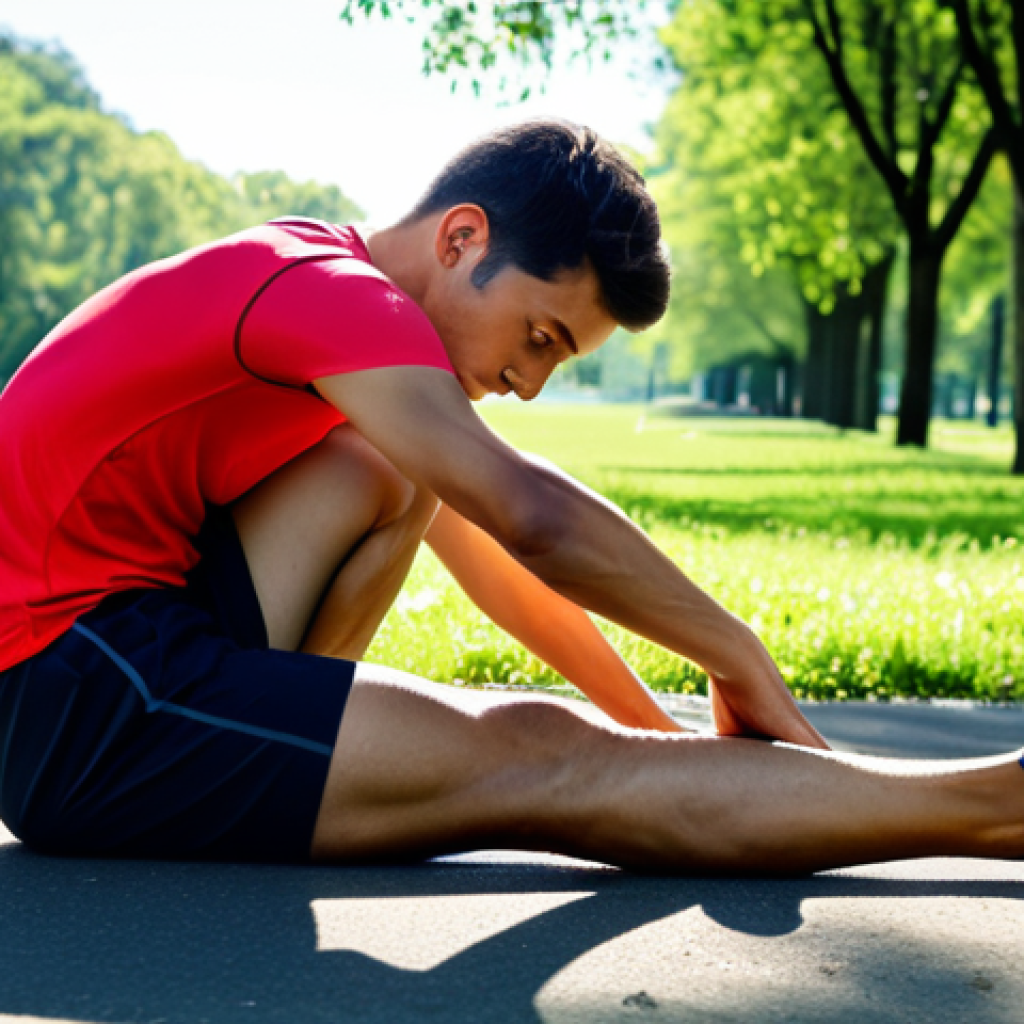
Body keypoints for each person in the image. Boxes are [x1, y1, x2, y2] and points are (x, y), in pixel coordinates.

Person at [0, 119, 1021, 872]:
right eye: (540, 337)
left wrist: (651, 730)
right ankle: (997, 806)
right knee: (541, 758)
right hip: (72, 697)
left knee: (388, 472)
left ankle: (278, 748)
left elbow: (499, 562)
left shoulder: (325, 296)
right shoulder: (328, 295)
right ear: (461, 239)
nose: (530, 382)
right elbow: (530, 514)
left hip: (121, 641)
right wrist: (732, 651)